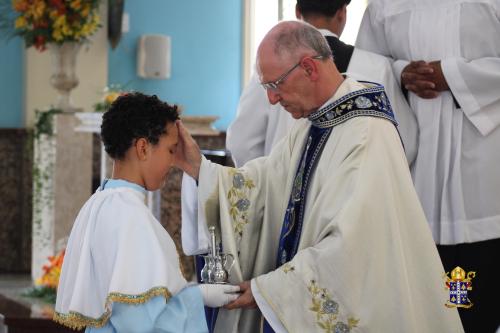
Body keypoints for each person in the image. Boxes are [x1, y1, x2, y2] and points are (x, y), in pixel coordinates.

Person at [176, 21, 463, 332]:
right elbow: (266, 183)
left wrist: (267, 290)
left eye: (275, 86)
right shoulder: (317, 120)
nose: (272, 100)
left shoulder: (365, 134)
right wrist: (200, 169)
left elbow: (352, 250)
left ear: (310, 68)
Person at [356, 1, 500, 331]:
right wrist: (400, 72)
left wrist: (453, 75)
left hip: (483, 168)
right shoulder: (383, 5)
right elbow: (367, 66)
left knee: (475, 311)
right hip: (414, 164)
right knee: (418, 305)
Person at [54, 93, 240, 332]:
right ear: (143, 148)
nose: (173, 162)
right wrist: (198, 297)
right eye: (171, 150)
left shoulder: (100, 201)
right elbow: (138, 321)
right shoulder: (130, 216)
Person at [226, 0, 418, 167]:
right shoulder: (377, 67)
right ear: (342, 13)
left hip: (288, 200)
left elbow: (242, 142)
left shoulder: (271, 68)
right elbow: (405, 144)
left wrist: (271, 187)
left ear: (297, 12)